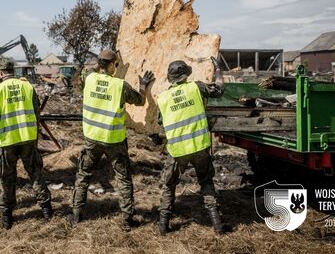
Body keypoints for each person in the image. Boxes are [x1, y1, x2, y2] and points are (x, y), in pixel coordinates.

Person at [70, 49, 155, 231]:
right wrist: (143, 85)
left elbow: (89, 69)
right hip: (114, 140)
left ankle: (76, 214)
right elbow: (140, 101)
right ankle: (127, 219)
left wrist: (104, 60)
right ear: (110, 65)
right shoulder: (119, 86)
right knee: (123, 178)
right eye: (115, 64)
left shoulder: (89, 78)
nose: (117, 67)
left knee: (83, 176)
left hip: (92, 138)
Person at [155, 58, 227, 235]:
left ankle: (163, 227)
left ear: (170, 78)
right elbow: (219, 89)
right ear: (186, 75)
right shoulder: (196, 87)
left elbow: (160, 121)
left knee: (169, 185)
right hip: (199, 147)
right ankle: (217, 225)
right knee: (206, 182)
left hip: (177, 151)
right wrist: (218, 69)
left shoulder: (163, 98)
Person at [0, 58, 52, 230]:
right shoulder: (27, 86)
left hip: (8, 141)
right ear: (13, 70)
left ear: (0, 72)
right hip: (28, 138)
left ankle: (6, 216)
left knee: (6, 178)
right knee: (35, 174)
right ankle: (47, 210)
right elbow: (37, 111)